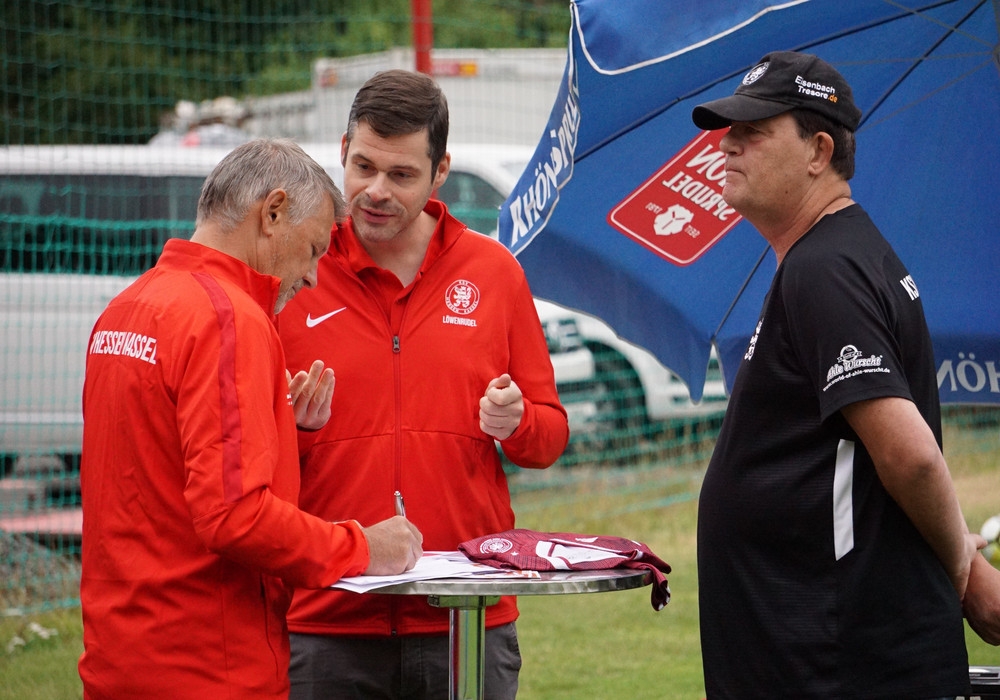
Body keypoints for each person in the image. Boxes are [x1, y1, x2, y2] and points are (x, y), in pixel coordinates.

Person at [690, 51, 999, 698]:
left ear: (818, 150)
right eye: (728, 131)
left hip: (835, 659)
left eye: (753, 131)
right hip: (818, 652)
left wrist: (965, 571)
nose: (728, 146)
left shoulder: (824, 269)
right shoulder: (829, 257)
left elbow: (909, 456)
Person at [78, 138, 423, 699]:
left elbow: (153, 473)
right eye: (313, 249)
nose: (313, 276)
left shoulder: (128, 307)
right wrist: (363, 548)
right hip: (209, 664)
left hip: (119, 655)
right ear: (273, 212)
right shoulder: (229, 317)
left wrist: (283, 430)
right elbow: (234, 515)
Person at [277, 69, 570, 699]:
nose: (375, 191)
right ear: (342, 153)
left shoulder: (492, 273)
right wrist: (297, 431)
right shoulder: (298, 268)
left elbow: (548, 439)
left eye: (402, 175)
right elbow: (252, 453)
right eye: (362, 168)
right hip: (326, 619)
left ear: (441, 172)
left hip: (467, 616)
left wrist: (516, 422)